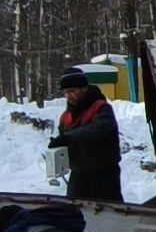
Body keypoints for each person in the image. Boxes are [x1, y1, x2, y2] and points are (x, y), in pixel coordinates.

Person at [50, 66, 122, 201]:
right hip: (78, 175)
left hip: (104, 175)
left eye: (72, 91)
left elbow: (97, 130)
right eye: (65, 92)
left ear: (84, 88)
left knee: (110, 214)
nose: (68, 96)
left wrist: (68, 138)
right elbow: (65, 140)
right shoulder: (66, 116)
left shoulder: (101, 109)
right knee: (74, 213)